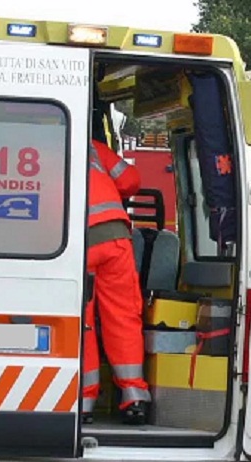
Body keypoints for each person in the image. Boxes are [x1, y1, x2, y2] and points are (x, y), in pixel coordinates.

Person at [83, 138, 151, 425]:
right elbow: (130, 180)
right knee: (122, 316)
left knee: (81, 322)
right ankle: (134, 396)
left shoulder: (30, 146)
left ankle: (83, 400)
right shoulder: (94, 146)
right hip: (114, 236)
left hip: (75, 243)